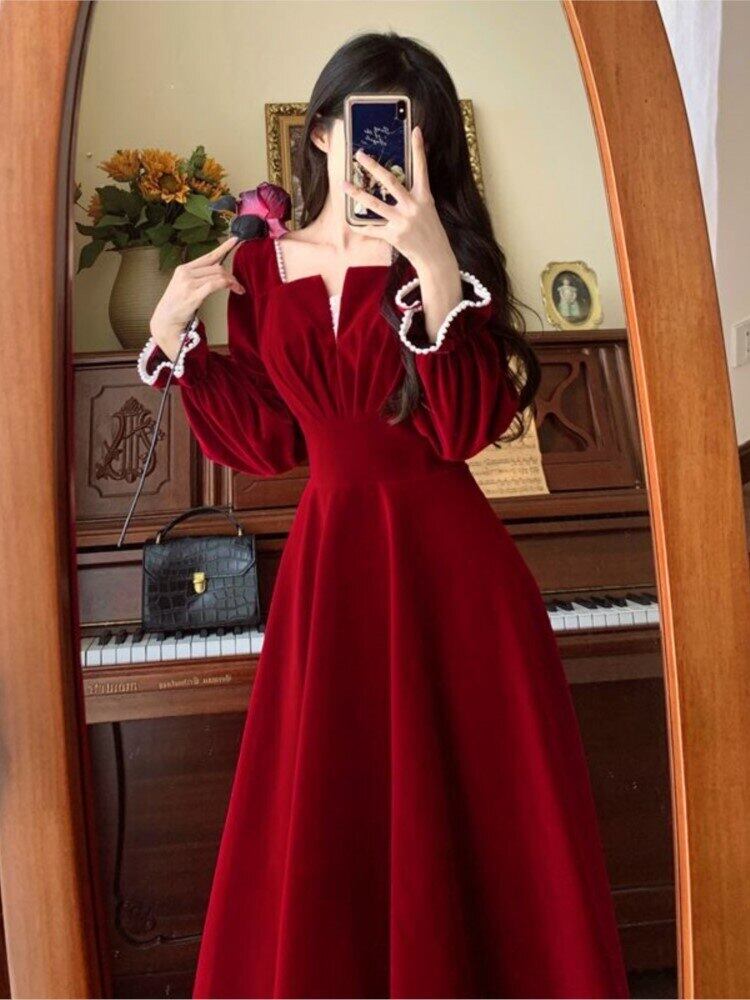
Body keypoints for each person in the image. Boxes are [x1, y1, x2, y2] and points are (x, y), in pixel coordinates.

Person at [137, 30, 629, 1000]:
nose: (392, 148)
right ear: (323, 131)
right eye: (375, 125)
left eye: (416, 132)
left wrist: (435, 266)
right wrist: (171, 333)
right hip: (332, 565)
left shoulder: (444, 259)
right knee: (336, 810)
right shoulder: (262, 273)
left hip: (453, 573)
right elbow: (269, 444)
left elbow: (463, 429)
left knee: (479, 822)